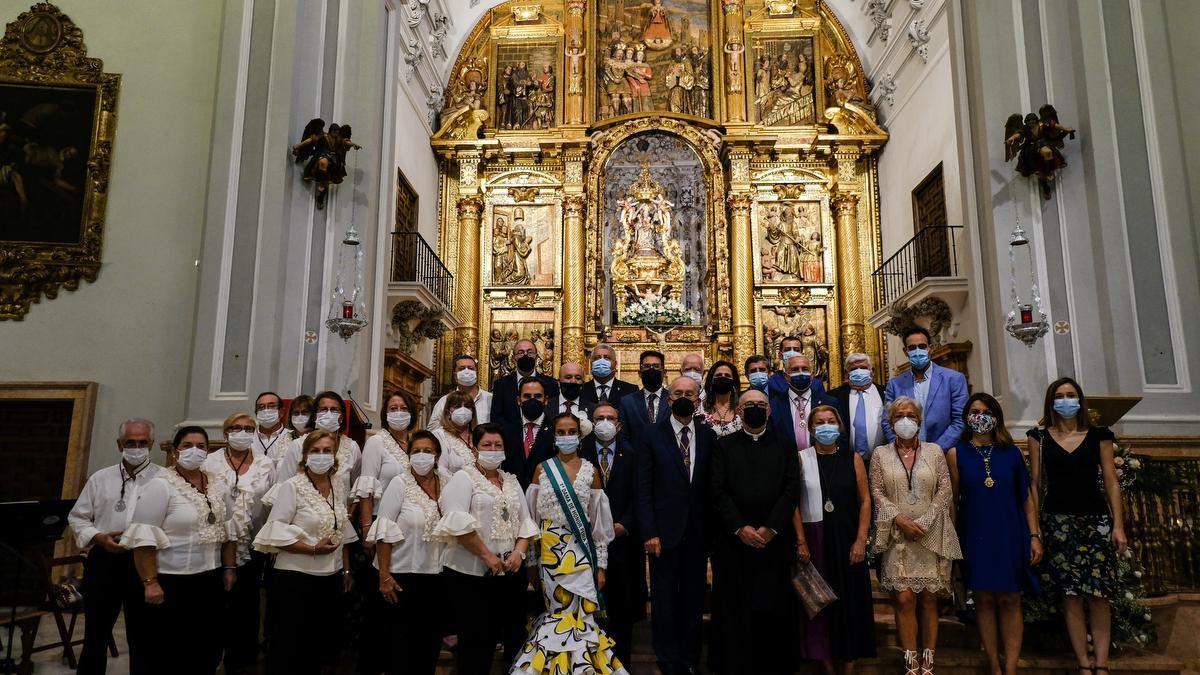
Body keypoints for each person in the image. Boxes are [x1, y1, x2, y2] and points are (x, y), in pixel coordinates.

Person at [1027, 377, 1126, 675]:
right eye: (1060, 395)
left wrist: (1118, 525)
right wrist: (1036, 528)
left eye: (1071, 395)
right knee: (1070, 594)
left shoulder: (1099, 435)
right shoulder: (1038, 437)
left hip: (1094, 519)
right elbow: (1035, 482)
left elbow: (1110, 481)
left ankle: (1102, 663)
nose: (1066, 400)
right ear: (1051, 401)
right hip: (1057, 519)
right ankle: (1083, 663)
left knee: (1099, 595)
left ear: (1080, 399)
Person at [512, 414, 623, 673]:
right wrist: (530, 560)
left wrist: (601, 566)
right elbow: (530, 521)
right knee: (557, 612)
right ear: (554, 437)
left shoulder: (590, 471)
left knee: (582, 613)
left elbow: (599, 525)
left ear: (580, 435)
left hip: (582, 553)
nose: (566, 436)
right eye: (561, 432)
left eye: (571, 431)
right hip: (550, 555)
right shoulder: (542, 469)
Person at [122, 426, 236, 675]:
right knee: (167, 653)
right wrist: (150, 582)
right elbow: (143, 540)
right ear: (175, 452)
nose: (195, 450)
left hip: (209, 579)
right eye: (187, 445)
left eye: (201, 446)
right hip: (170, 581)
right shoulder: (160, 486)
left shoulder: (218, 485)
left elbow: (229, 531)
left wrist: (229, 567)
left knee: (206, 649)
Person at [709, 389, 801, 674]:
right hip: (735, 544)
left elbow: (791, 489)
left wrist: (772, 527)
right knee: (735, 608)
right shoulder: (724, 446)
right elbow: (717, 490)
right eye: (749, 405)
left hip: (775, 543)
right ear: (738, 410)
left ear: (770, 411)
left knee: (774, 607)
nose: (755, 409)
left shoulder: (785, 445)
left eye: (761, 405)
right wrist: (740, 527)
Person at [948, 393, 1041, 675]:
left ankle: (1010, 668)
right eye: (974, 411)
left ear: (996, 416)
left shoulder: (1011, 452)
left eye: (986, 411)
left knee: (1011, 598)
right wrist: (951, 542)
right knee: (985, 599)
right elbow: (952, 500)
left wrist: (1035, 535)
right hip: (974, 531)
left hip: (1010, 531)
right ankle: (994, 666)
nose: (980, 416)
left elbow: (1026, 498)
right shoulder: (956, 453)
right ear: (966, 417)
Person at [434, 423, 538, 675]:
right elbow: (457, 524)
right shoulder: (463, 477)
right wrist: (487, 556)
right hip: (470, 576)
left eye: (498, 445)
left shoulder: (511, 481)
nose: (493, 450)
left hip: (507, 576)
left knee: (509, 639)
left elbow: (525, 523)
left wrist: (518, 552)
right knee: (475, 643)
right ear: (475, 448)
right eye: (487, 445)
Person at [254, 430, 358, 675]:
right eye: (316, 451)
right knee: (289, 647)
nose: (322, 456)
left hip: (329, 578)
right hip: (295, 577)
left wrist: (345, 569)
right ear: (305, 456)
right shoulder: (292, 486)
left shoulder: (337, 485)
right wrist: (311, 548)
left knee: (317, 646)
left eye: (327, 451)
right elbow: (274, 533)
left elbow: (340, 528)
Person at [870, 397, 961, 675]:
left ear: (919, 421)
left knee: (929, 598)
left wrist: (925, 520)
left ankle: (928, 661)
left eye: (910, 415)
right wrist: (900, 520)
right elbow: (876, 491)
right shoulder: (880, 454)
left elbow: (945, 488)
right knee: (904, 598)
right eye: (899, 415)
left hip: (930, 533)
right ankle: (911, 663)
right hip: (897, 535)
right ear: (891, 422)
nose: (905, 420)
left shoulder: (935, 451)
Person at [68, 419, 163, 675]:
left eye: (142, 443)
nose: (136, 447)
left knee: (143, 636)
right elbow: (78, 517)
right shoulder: (101, 478)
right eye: (130, 442)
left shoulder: (165, 478)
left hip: (144, 563)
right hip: (104, 560)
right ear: (119, 444)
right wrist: (98, 537)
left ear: (151, 444)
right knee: (95, 635)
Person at [635, 376, 716, 675]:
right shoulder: (651, 435)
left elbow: (711, 487)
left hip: (698, 533)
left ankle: (690, 659)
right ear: (669, 400)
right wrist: (649, 532)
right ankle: (667, 660)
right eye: (678, 393)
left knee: (694, 601)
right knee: (665, 600)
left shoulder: (708, 436)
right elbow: (643, 487)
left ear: (698, 401)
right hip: (662, 534)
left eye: (690, 394)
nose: (684, 397)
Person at [367, 430, 448, 675]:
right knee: (400, 645)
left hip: (437, 575)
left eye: (427, 451)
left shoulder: (449, 481)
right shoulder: (399, 483)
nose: (421, 456)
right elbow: (384, 530)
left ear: (437, 456)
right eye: (416, 451)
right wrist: (384, 575)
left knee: (430, 643)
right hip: (400, 576)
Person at [203, 413, 276, 675]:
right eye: (236, 428)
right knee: (215, 605)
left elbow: (270, 504)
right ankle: (211, 658)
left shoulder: (266, 464)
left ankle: (240, 661)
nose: (242, 432)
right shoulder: (210, 462)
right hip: (215, 543)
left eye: (248, 428)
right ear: (226, 432)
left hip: (253, 544)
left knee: (247, 606)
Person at [810, 406, 876, 672]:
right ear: (811, 429)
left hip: (849, 542)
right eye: (820, 423)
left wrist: (861, 540)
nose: (826, 427)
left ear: (839, 426)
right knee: (821, 607)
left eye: (831, 421)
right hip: (817, 541)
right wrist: (802, 542)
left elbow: (865, 500)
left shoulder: (853, 458)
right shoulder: (803, 459)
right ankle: (827, 667)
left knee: (850, 604)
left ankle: (847, 666)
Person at [579, 402, 645, 667]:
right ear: (591, 423)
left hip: (623, 541)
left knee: (621, 611)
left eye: (610, 418)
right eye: (599, 418)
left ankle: (620, 665)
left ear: (618, 424)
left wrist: (624, 523)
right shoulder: (579, 454)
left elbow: (640, 493)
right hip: (586, 543)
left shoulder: (632, 453)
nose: (605, 422)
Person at [883, 326, 968, 452]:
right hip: (905, 455)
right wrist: (902, 448)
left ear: (930, 349)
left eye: (922, 346)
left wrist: (935, 450)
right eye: (912, 348)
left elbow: (960, 420)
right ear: (905, 352)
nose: (917, 351)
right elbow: (886, 422)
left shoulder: (954, 379)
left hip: (943, 453)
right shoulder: (895, 384)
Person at [274, 391, 362, 502]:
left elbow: (356, 491)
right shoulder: (297, 445)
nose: (328, 413)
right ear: (315, 415)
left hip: (339, 515)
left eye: (334, 410)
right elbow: (283, 486)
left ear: (341, 417)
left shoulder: (352, 447)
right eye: (323, 409)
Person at [356, 391, 416, 529]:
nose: (399, 413)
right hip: (382, 517)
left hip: (410, 518)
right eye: (393, 409)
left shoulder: (416, 443)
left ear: (411, 413)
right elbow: (366, 489)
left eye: (404, 409)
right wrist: (366, 527)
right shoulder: (376, 442)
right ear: (385, 414)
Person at [769, 353, 837, 454]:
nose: (800, 373)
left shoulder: (829, 402)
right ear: (786, 376)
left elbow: (840, 435)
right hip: (786, 464)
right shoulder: (774, 405)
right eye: (795, 370)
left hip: (821, 461)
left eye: (805, 369)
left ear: (812, 374)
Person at [490, 338, 559, 427]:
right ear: (514, 357)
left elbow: (554, 415)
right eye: (521, 352)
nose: (525, 355)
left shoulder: (551, 383)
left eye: (530, 352)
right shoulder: (501, 384)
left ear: (536, 356)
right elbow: (496, 417)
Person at [829, 352, 886, 460]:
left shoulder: (886, 393)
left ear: (872, 371)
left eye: (863, 367)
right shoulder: (834, 397)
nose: (859, 371)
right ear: (846, 373)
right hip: (847, 461)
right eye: (854, 369)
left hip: (883, 460)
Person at [617, 349, 670, 445]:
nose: (651, 369)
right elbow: (623, 437)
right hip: (636, 457)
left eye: (656, 366)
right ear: (640, 373)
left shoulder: (673, 399)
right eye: (647, 366)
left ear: (664, 372)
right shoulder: (627, 402)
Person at [427, 354, 492, 431]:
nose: (467, 371)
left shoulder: (491, 398)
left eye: (471, 368)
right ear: (455, 375)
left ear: (477, 373)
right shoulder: (444, 401)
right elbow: (432, 430)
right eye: (462, 369)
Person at [433, 390, 477, 479]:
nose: (463, 410)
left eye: (468, 406)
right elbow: (441, 470)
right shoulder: (439, 435)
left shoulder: (478, 435)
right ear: (448, 411)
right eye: (457, 407)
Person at [581, 342, 638, 406]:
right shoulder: (581, 389)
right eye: (597, 358)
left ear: (615, 364)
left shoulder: (630, 390)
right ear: (591, 364)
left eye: (607, 358)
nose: (601, 362)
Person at [701, 360, 742, 437]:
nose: (723, 377)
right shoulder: (701, 409)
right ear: (711, 380)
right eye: (718, 375)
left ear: (734, 381)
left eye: (727, 375)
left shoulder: (741, 409)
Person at [252, 391, 292, 460]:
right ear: (256, 413)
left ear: (281, 412)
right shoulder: (248, 436)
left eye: (271, 406)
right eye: (261, 407)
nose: (266, 410)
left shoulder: (292, 436)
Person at [553, 360, 595, 424]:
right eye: (568, 377)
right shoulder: (547, 406)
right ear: (559, 382)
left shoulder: (592, 409)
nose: (573, 381)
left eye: (578, 378)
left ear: (583, 383)